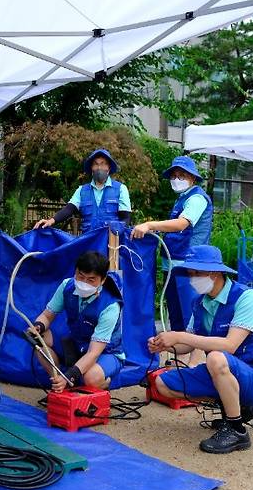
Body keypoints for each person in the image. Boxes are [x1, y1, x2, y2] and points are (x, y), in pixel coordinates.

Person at [148, 245, 253, 454]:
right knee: (162, 384)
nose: (192, 279)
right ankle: (237, 408)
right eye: (190, 274)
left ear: (215, 272)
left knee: (217, 358)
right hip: (220, 371)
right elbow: (186, 345)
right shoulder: (199, 303)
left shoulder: (247, 297)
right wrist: (165, 343)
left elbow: (230, 345)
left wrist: (180, 335)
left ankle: (236, 430)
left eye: (197, 273)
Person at [131, 155, 213, 333]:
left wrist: (150, 224)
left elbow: (182, 224)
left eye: (182, 175)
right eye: (174, 176)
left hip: (190, 266)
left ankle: (194, 359)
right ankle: (179, 358)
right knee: (175, 317)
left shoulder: (197, 199)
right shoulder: (182, 198)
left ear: (192, 177)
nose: (177, 179)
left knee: (191, 317)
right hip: (173, 264)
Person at [28, 251, 124, 392]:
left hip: (105, 352)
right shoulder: (67, 285)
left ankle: (104, 382)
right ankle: (60, 383)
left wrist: (69, 376)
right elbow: (47, 316)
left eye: (91, 280)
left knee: (91, 378)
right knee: (39, 341)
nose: (84, 283)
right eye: (81, 276)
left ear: (102, 280)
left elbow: (94, 352)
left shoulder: (110, 306)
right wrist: (38, 326)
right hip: (77, 345)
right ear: (75, 272)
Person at [33, 148, 131, 233]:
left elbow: (125, 218)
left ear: (109, 168)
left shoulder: (121, 189)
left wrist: (117, 232)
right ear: (91, 168)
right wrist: (51, 221)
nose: (99, 168)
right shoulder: (81, 191)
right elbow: (69, 209)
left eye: (103, 164)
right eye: (96, 164)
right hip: (88, 244)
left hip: (111, 244)